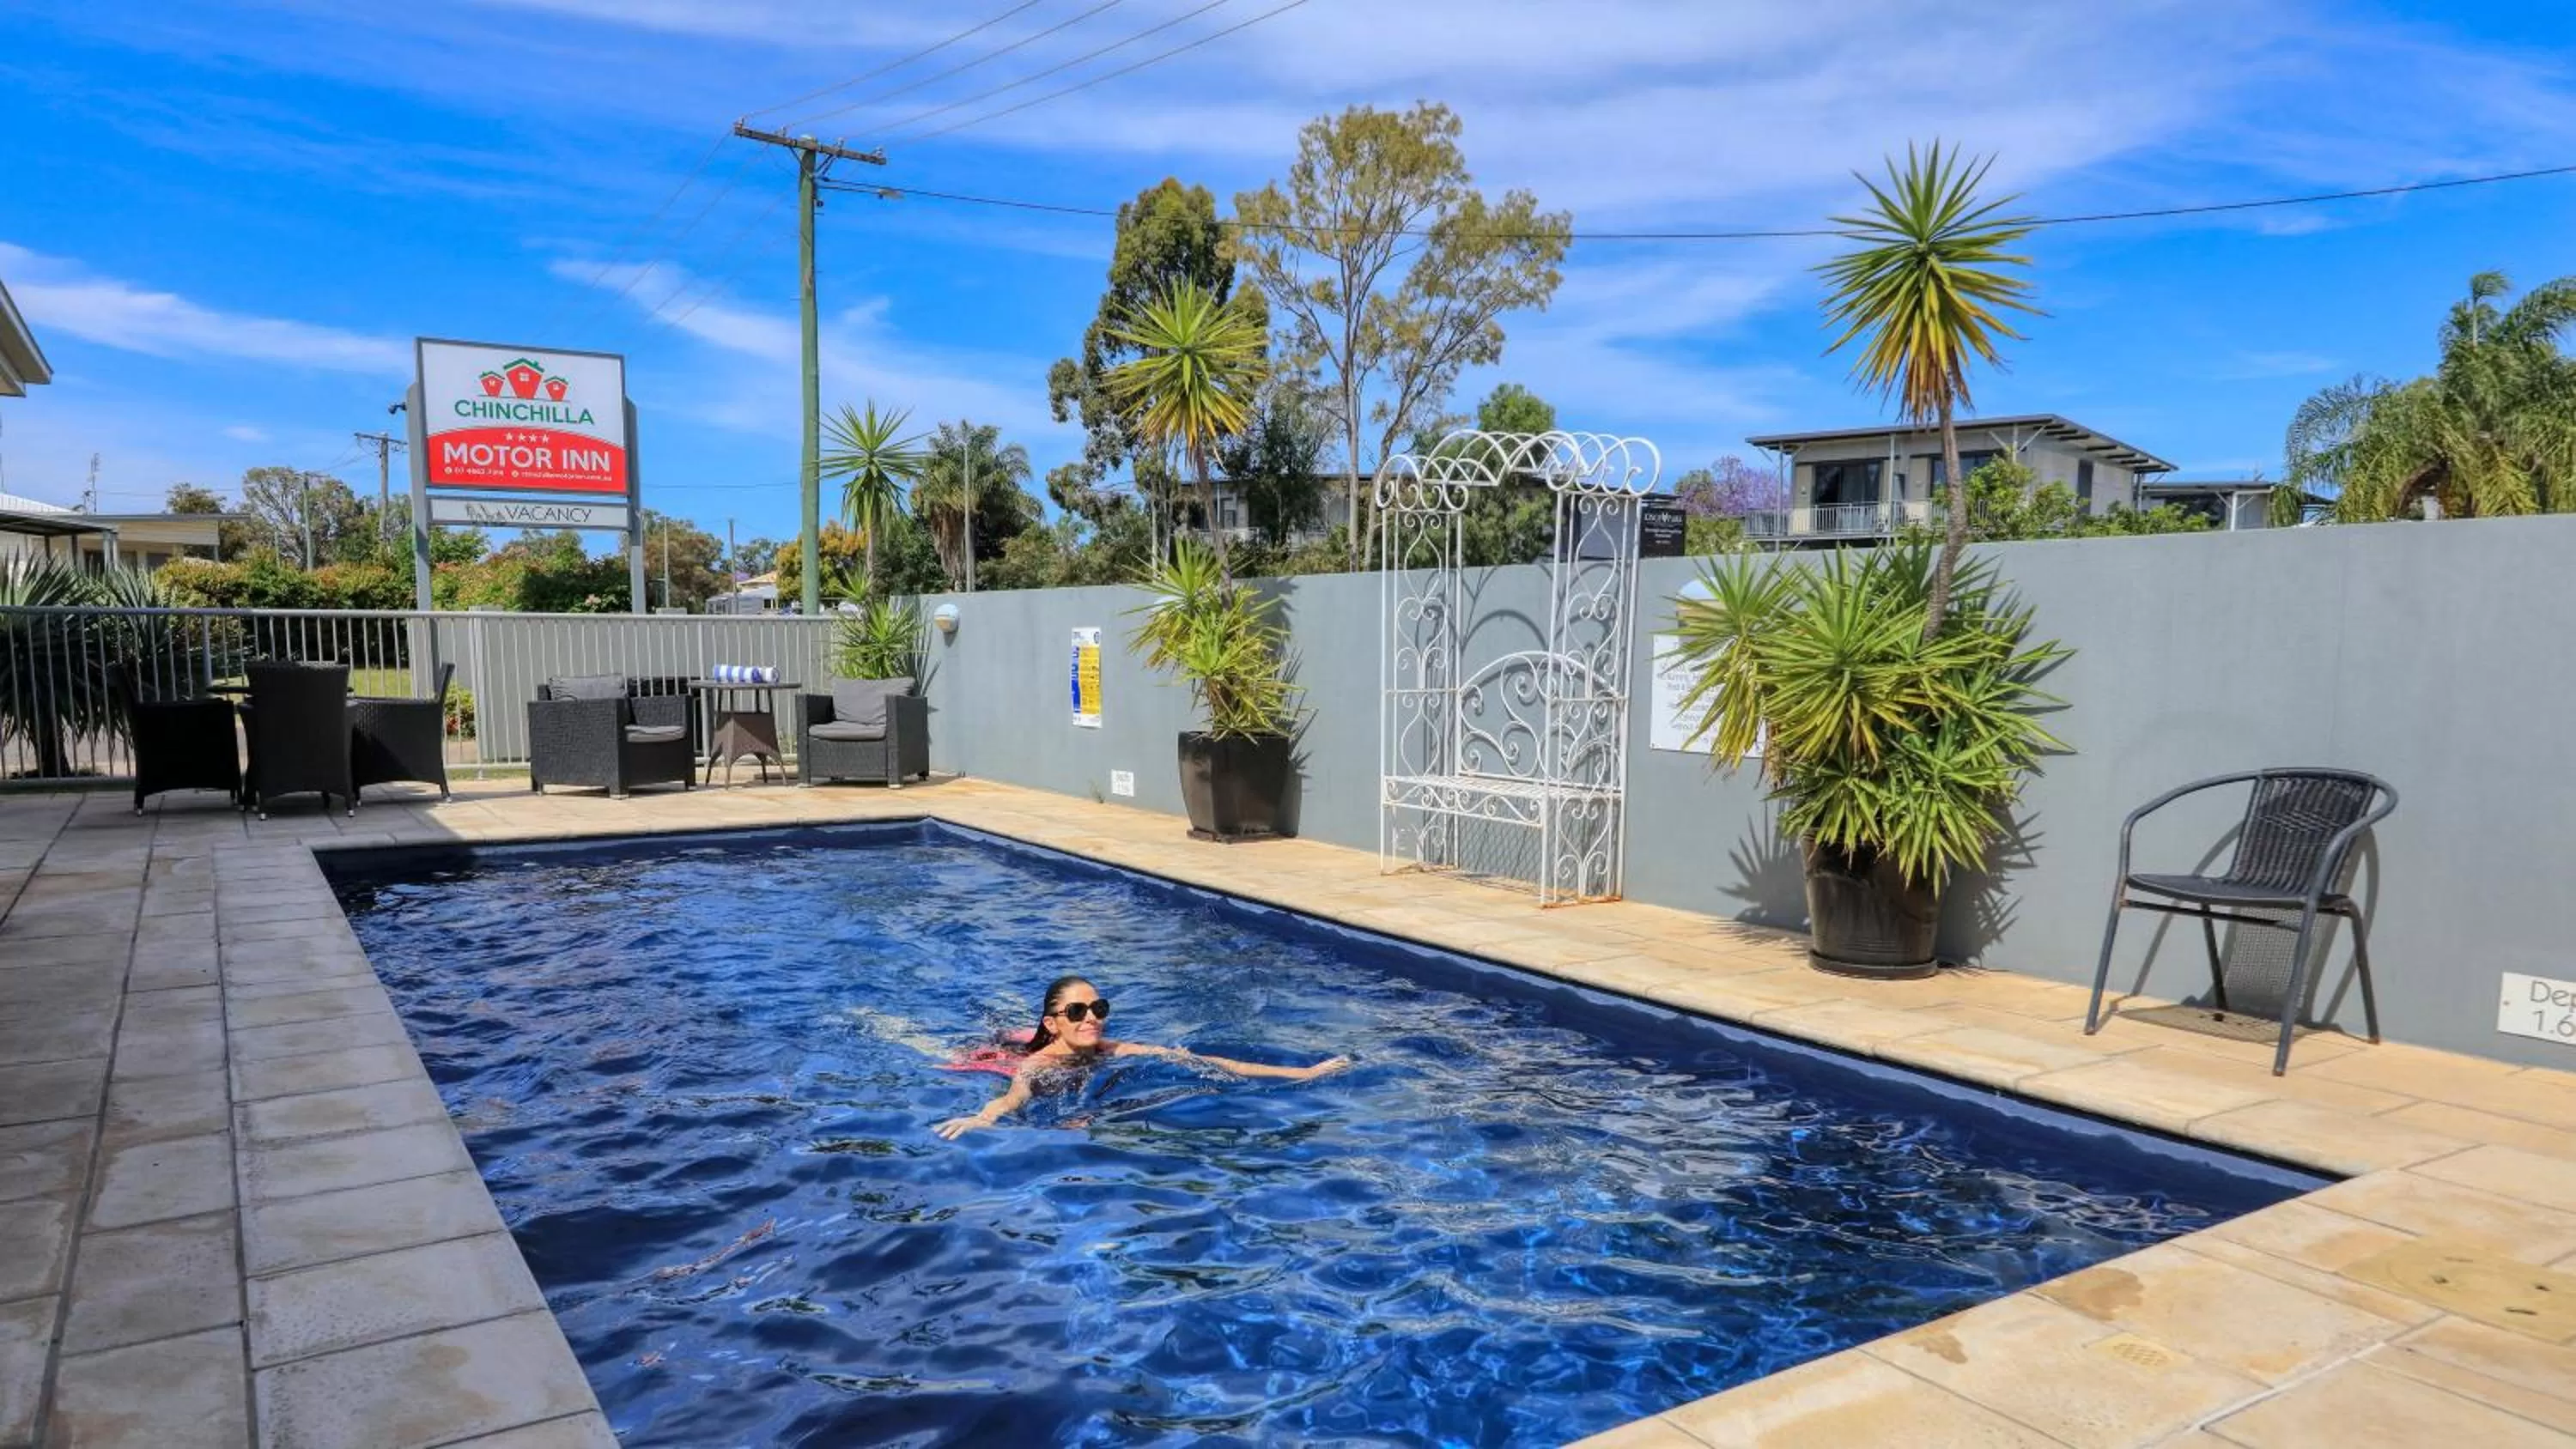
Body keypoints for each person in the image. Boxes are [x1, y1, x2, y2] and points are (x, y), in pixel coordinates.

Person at [933, 974, 1350, 1140]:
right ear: (1054, 1022)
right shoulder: (1036, 1064)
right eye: (1077, 1012)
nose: (1092, 1018)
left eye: (1099, 1009)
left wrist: (1304, 1071)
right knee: (964, 1048)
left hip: (1048, 1044)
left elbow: (1222, 1063)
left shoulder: (1113, 1050)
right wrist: (982, 1118)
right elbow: (1013, 1097)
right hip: (1005, 1058)